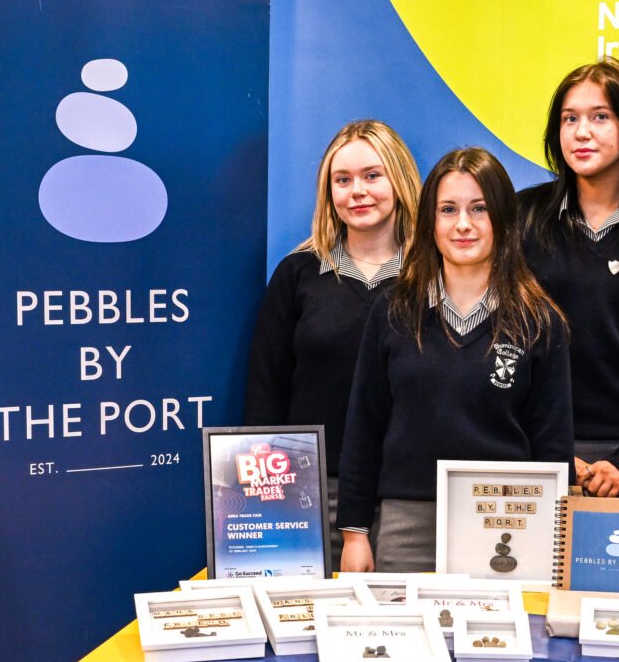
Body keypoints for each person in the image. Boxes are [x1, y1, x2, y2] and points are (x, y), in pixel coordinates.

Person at [337, 147, 573, 572]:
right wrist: (354, 533)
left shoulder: (539, 321)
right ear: (430, 222)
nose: (463, 224)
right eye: (448, 209)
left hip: (505, 521)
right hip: (405, 526)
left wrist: (553, 545)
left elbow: (553, 447)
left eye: (479, 209)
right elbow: (363, 428)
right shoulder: (393, 310)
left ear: (503, 218)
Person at [245, 120, 421, 566]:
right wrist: (268, 495)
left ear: (399, 181)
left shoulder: (433, 277)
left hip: (408, 496)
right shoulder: (298, 274)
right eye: (342, 180)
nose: (357, 191)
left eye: (371, 176)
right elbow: (267, 390)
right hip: (311, 493)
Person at [519, 58, 619, 496]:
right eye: (570, 119)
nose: (582, 132)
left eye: (600, 117)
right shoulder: (520, 218)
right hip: (532, 447)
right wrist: (547, 451)